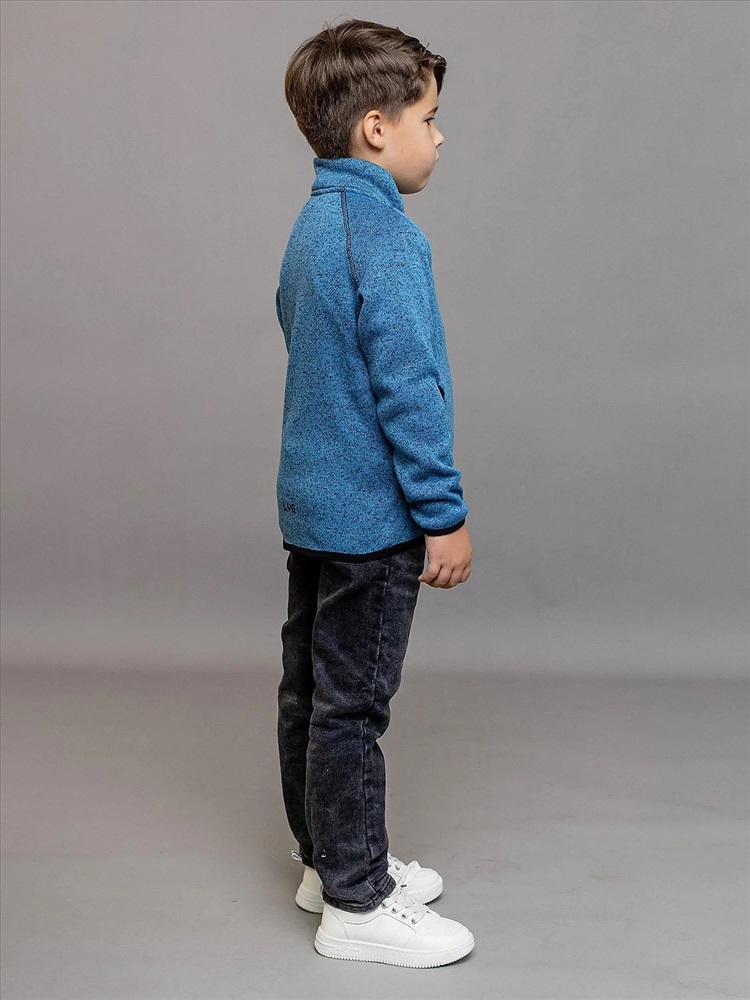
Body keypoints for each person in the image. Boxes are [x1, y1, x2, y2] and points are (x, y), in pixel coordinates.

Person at [274, 17, 475, 969]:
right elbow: (408, 386)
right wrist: (443, 513)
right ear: (377, 129)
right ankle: (357, 901)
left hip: (312, 505)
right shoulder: (387, 236)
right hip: (372, 519)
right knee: (353, 708)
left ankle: (328, 861)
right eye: (429, 118)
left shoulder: (313, 225)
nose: (439, 136)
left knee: (310, 693)